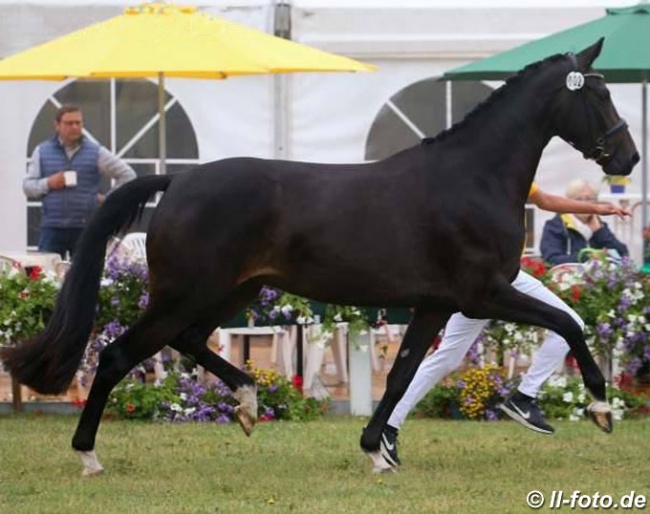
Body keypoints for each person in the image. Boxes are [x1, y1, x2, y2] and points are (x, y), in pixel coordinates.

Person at [379, 183, 630, 469]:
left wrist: (598, 208)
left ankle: (523, 397)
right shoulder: (478, 175)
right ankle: (390, 424)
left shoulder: (511, 170)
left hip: (502, 276)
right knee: (450, 356)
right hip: (485, 280)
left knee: (568, 325)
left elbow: (546, 200)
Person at [23, 105, 136, 259]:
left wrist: (108, 198)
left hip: (86, 227)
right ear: (57, 125)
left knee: (85, 277)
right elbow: (27, 187)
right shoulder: (42, 151)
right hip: (52, 227)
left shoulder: (96, 152)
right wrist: (48, 183)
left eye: (78, 123)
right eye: (69, 123)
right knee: (47, 275)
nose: (75, 127)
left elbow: (128, 175)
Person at [540, 179, 628, 265]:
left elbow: (623, 255)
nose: (584, 204)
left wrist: (599, 231)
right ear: (568, 202)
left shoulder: (599, 224)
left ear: (596, 201)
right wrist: (587, 257)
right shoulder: (555, 225)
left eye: (589, 199)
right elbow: (550, 259)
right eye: (579, 199)